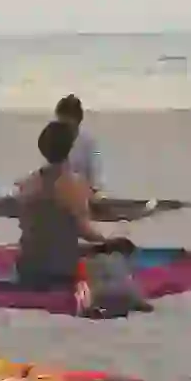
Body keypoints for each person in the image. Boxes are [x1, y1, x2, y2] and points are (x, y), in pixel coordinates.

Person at [15, 120, 121, 289]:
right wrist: (110, 238)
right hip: (61, 272)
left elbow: (27, 225)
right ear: (70, 148)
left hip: (27, 269)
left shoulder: (27, 184)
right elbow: (86, 232)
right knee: (114, 258)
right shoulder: (75, 185)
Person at [54, 95, 104, 193]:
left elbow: (96, 176)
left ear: (77, 120)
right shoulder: (54, 140)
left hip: (83, 195)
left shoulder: (88, 141)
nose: (62, 127)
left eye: (66, 123)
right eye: (60, 122)